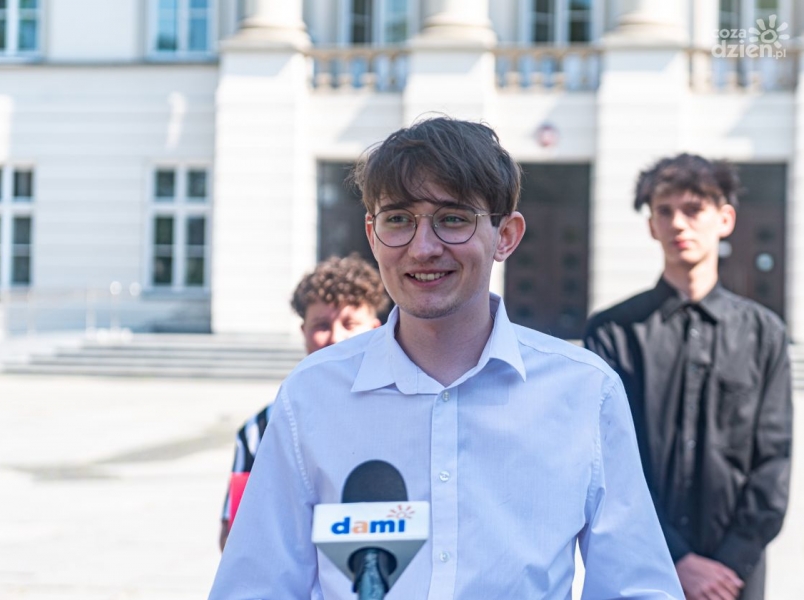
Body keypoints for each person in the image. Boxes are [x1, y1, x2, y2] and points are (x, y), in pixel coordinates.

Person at [210, 117, 683, 598]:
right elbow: (254, 587)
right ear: (372, 234)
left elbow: (637, 587)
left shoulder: (583, 392)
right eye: (399, 219)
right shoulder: (313, 395)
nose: (423, 248)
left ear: (506, 235)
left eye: (453, 218)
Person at [584, 154, 792, 600]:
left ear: (725, 219)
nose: (678, 223)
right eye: (664, 211)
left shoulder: (764, 334)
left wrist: (727, 565)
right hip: (640, 566)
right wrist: (675, 558)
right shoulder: (612, 332)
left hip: (732, 579)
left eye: (694, 209)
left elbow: (773, 464)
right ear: (651, 226)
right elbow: (605, 458)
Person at [219, 254, 388, 550]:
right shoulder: (261, 429)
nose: (336, 338)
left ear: (376, 330)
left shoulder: (402, 415)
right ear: (303, 332)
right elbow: (235, 537)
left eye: (349, 323)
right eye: (321, 325)